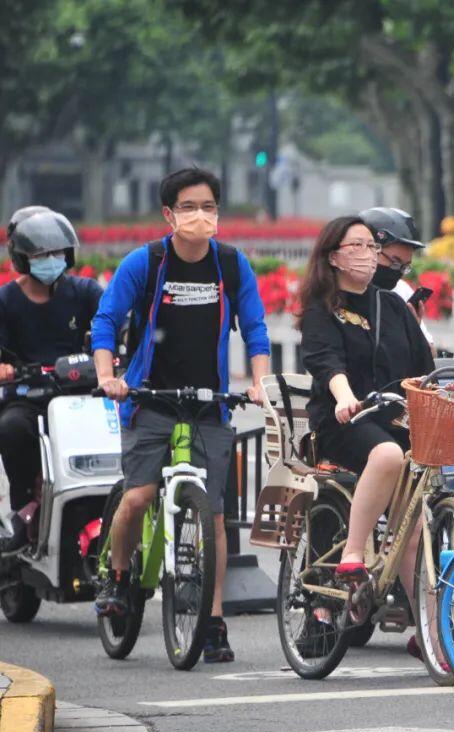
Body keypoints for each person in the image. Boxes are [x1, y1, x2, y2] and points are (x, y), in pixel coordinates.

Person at [90, 167, 271, 663]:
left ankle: (212, 624)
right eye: (189, 208)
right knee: (139, 495)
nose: (200, 216)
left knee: (213, 512)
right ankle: (120, 577)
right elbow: (106, 321)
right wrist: (110, 376)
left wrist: (258, 383)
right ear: (169, 214)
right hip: (150, 399)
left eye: (209, 207)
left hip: (209, 401)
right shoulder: (145, 262)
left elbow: (255, 329)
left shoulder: (231, 265)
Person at [298, 215, 434, 659]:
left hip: (394, 420)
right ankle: (353, 554)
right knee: (389, 456)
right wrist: (343, 398)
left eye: (371, 246)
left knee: (413, 530)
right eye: (355, 246)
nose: (367, 255)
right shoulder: (323, 308)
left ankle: (433, 638)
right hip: (343, 422)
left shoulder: (392, 306)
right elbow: (327, 364)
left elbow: (422, 370)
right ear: (333, 256)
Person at [0, 208, 102, 549]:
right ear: (22, 258)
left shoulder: (86, 292)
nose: (51, 260)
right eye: (41, 255)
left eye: (57, 253)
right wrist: (5, 368)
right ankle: (24, 508)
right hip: (28, 396)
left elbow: (113, 325)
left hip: (83, 396)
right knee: (12, 428)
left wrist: (117, 352)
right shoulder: (6, 300)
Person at [359, 206, 435, 350]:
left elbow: (431, 353)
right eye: (394, 262)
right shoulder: (339, 292)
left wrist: (413, 330)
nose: (396, 272)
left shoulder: (401, 291)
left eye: (404, 267)